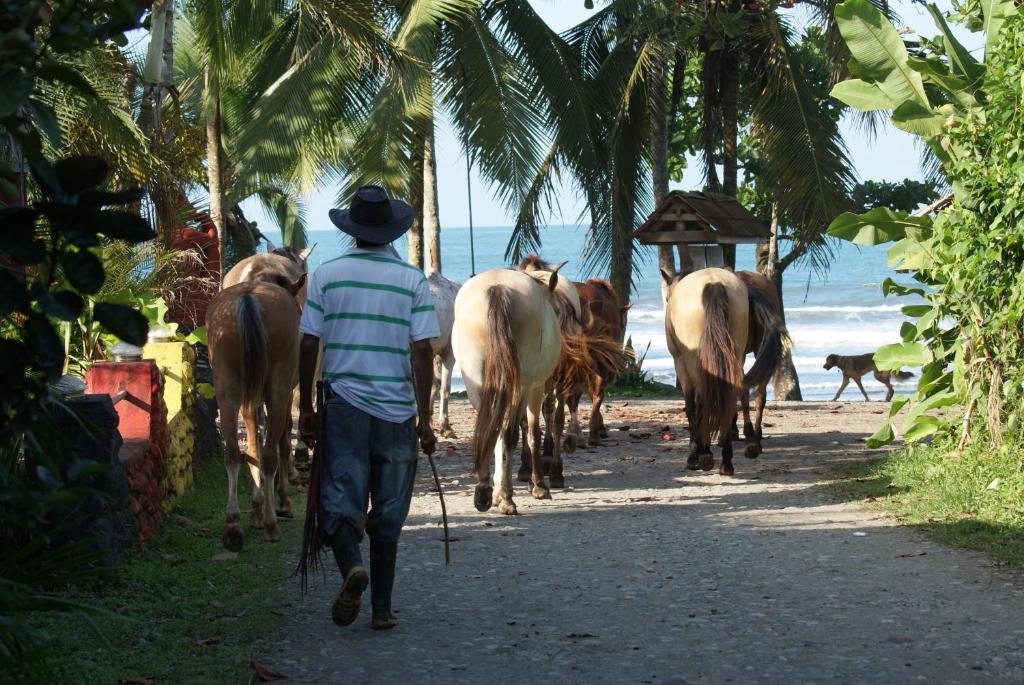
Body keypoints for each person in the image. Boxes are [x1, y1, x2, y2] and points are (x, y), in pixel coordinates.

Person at [298, 185, 438, 630]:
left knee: (341, 496)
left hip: (344, 407)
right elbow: (422, 352)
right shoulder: (412, 279)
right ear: (390, 231)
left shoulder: (326, 274)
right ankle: (381, 610)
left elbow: (308, 342)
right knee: (390, 509)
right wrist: (425, 415)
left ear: (352, 231)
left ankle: (351, 568)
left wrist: (305, 406)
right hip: (397, 411)